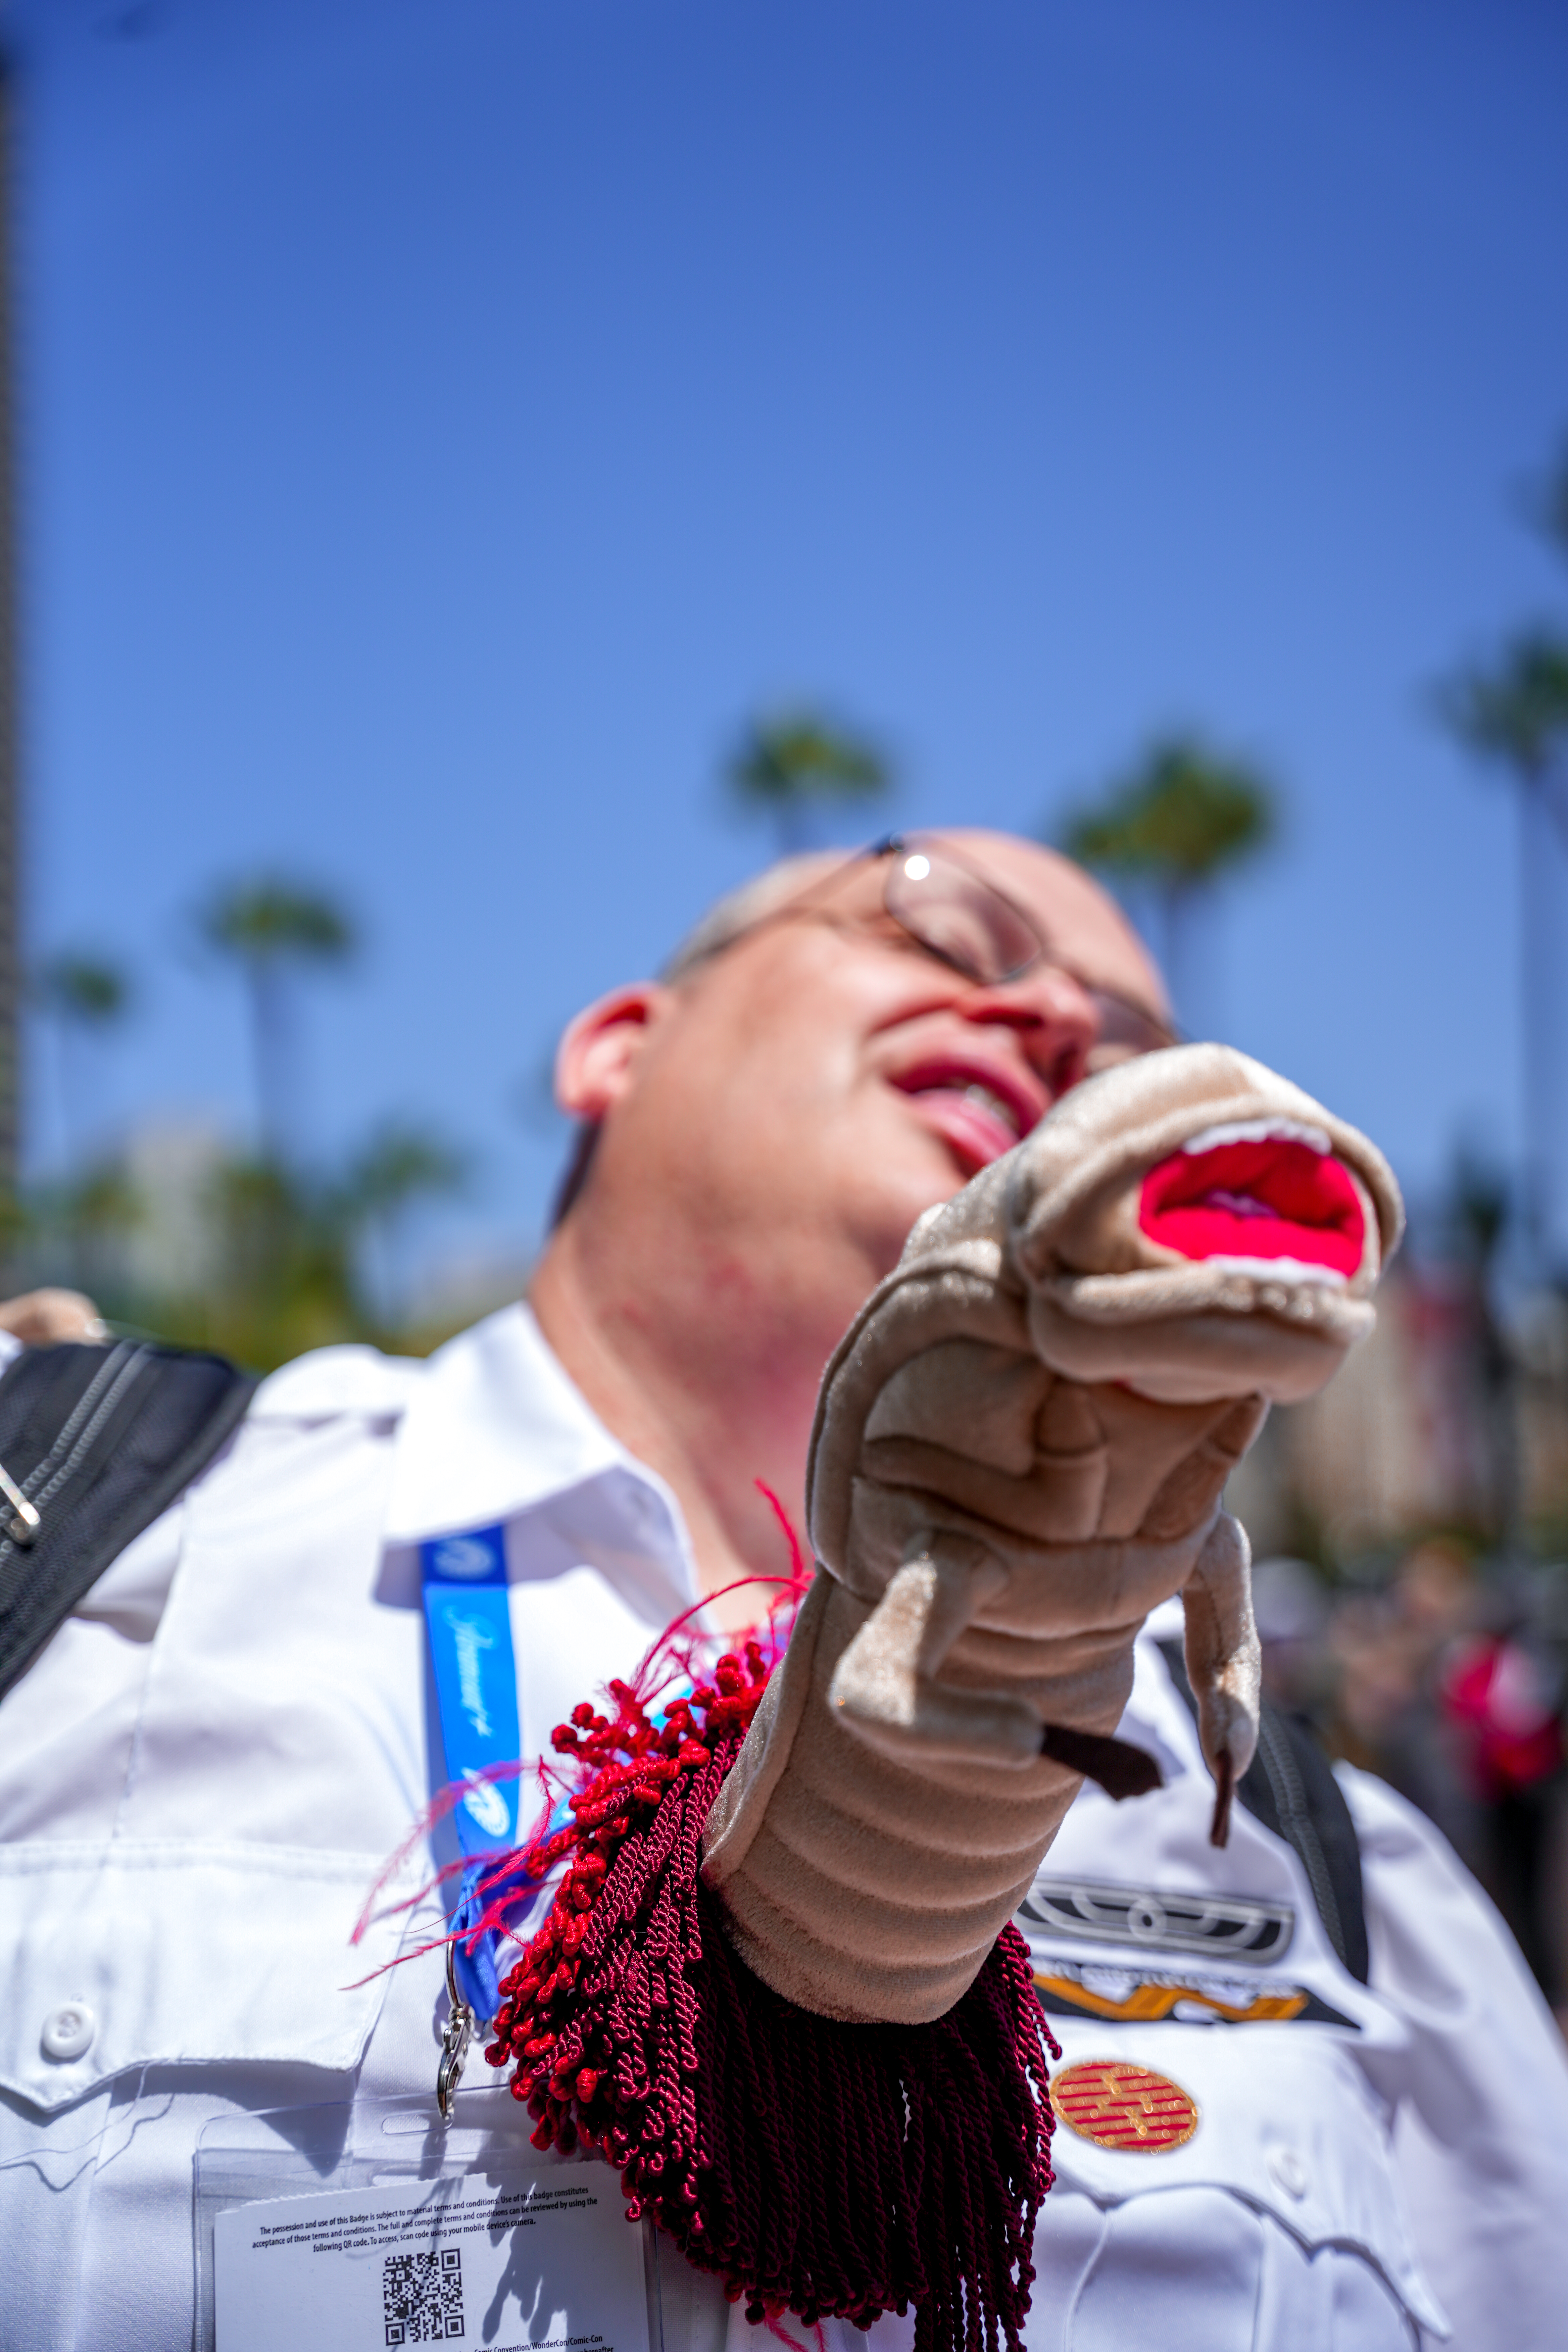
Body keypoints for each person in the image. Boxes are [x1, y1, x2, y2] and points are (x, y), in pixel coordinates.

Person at [1, 830, 1565, 2352]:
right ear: (619, 1045)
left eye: (1126, 1047)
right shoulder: (85, 1535)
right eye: (943, 931)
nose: (1055, 1022)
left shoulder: (1314, 1848)